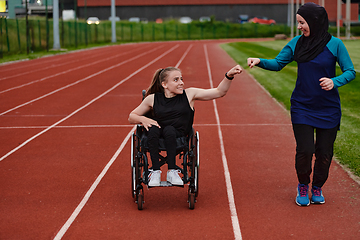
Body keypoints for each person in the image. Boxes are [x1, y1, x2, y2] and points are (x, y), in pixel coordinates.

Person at [247, 2, 356, 206]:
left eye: (302, 22)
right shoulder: (296, 43)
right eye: (298, 22)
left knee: (325, 152)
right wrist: (259, 61)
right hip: (302, 106)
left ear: (315, 22)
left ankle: (317, 187)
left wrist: (335, 81)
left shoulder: (335, 44)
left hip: (328, 108)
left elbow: (350, 71)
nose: (299, 27)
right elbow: (278, 63)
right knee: (305, 150)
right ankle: (303, 184)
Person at [129, 65, 242, 187]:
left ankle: (172, 171)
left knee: (170, 130)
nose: (181, 83)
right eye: (176, 80)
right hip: (155, 135)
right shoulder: (152, 99)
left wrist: (229, 76)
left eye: (181, 79)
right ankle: (155, 171)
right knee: (153, 129)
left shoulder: (189, 94)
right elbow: (131, 116)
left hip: (178, 135)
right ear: (164, 85)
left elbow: (219, 92)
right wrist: (142, 119)